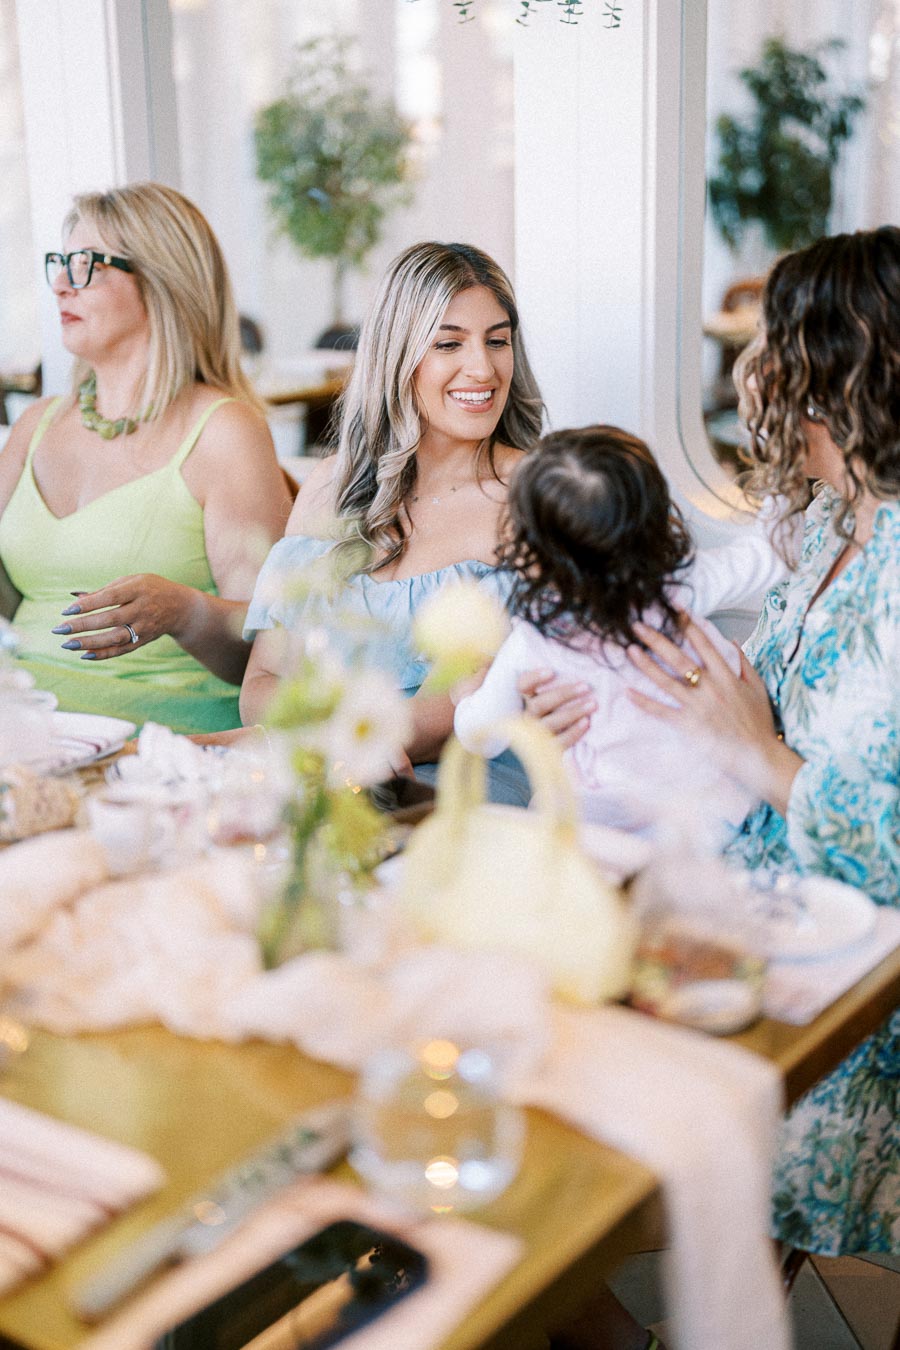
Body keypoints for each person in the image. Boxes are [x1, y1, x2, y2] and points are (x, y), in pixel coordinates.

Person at [627, 225, 899, 1261]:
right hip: (772, 904)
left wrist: (760, 759)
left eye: (778, 342)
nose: (756, 369)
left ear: (845, 364)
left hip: (870, 967)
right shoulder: (833, 522)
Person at [240, 240, 544, 801]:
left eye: (497, 341)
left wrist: (337, 747)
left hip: (451, 788)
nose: (483, 368)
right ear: (397, 356)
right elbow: (264, 681)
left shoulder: (533, 499)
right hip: (322, 769)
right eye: (449, 343)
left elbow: (455, 706)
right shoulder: (330, 487)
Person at [0, 183, 293, 734]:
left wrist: (185, 610)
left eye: (86, 265)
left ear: (161, 282)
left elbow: (271, 648)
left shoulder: (225, 431)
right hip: (25, 732)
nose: (61, 284)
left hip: (159, 746)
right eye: (60, 263)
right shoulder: (35, 426)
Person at [453, 425, 757, 836]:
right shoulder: (680, 590)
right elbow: (759, 559)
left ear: (530, 551)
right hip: (698, 812)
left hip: (592, 820)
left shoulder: (532, 641)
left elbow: (480, 737)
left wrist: (465, 690)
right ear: (657, 526)